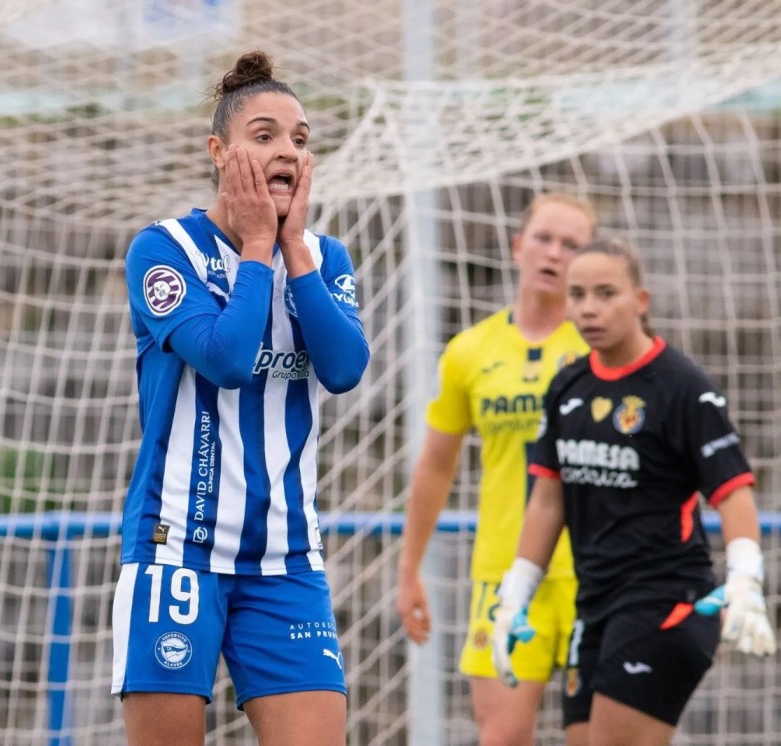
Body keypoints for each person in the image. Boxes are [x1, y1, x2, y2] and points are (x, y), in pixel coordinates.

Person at [112, 50, 369, 746]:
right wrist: (259, 242)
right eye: (264, 135)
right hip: (176, 552)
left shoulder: (324, 257)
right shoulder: (164, 250)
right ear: (218, 152)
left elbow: (345, 368)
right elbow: (225, 359)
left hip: (286, 558)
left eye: (300, 139)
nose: (287, 150)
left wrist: (292, 250)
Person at [492, 237, 776, 746]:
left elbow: (733, 492)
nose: (589, 308)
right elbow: (548, 501)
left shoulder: (684, 388)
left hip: (665, 604)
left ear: (640, 301)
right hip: (594, 606)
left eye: (606, 293)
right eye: (578, 295)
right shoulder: (567, 387)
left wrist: (746, 579)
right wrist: (514, 596)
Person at [396, 193, 597, 745]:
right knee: (501, 737)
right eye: (543, 238)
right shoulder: (470, 350)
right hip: (504, 574)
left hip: (593, 573)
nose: (553, 253)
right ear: (517, 246)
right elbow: (436, 466)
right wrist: (409, 570)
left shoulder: (600, 348)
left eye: (571, 244)